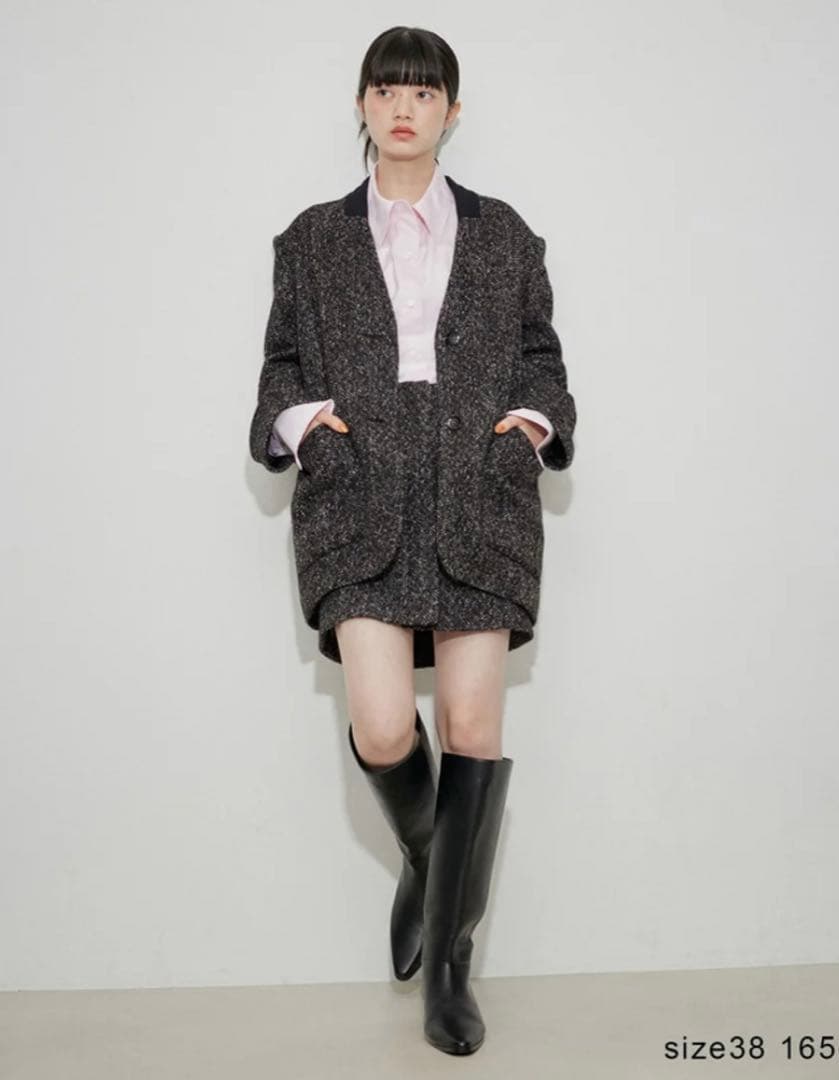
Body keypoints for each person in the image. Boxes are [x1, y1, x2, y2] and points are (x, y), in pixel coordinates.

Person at [249, 25, 577, 1056]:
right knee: (386, 728)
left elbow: (541, 360)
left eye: (424, 92)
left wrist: (527, 431)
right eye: (387, 89)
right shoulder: (310, 241)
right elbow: (280, 369)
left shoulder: (506, 235)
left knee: (472, 724)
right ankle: (434, 860)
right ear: (360, 104)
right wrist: (312, 429)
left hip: (479, 495)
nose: (404, 107)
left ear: (451, 112)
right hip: (361, 498)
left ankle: (447, 971)